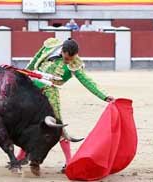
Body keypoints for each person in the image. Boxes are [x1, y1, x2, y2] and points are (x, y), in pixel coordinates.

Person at [16, 37, 114, 173]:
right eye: (66, 58)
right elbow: (35, 60)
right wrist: (24, 75)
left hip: (50, 93)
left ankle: (69, 162)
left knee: (58, 127)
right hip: (33, 89)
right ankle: (20, 157)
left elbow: (87, 81)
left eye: (71, 59)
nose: (68, 61)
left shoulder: (75, 64)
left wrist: (104, 96)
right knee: (28, 123)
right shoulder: (51, 46)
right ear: (62, 51)